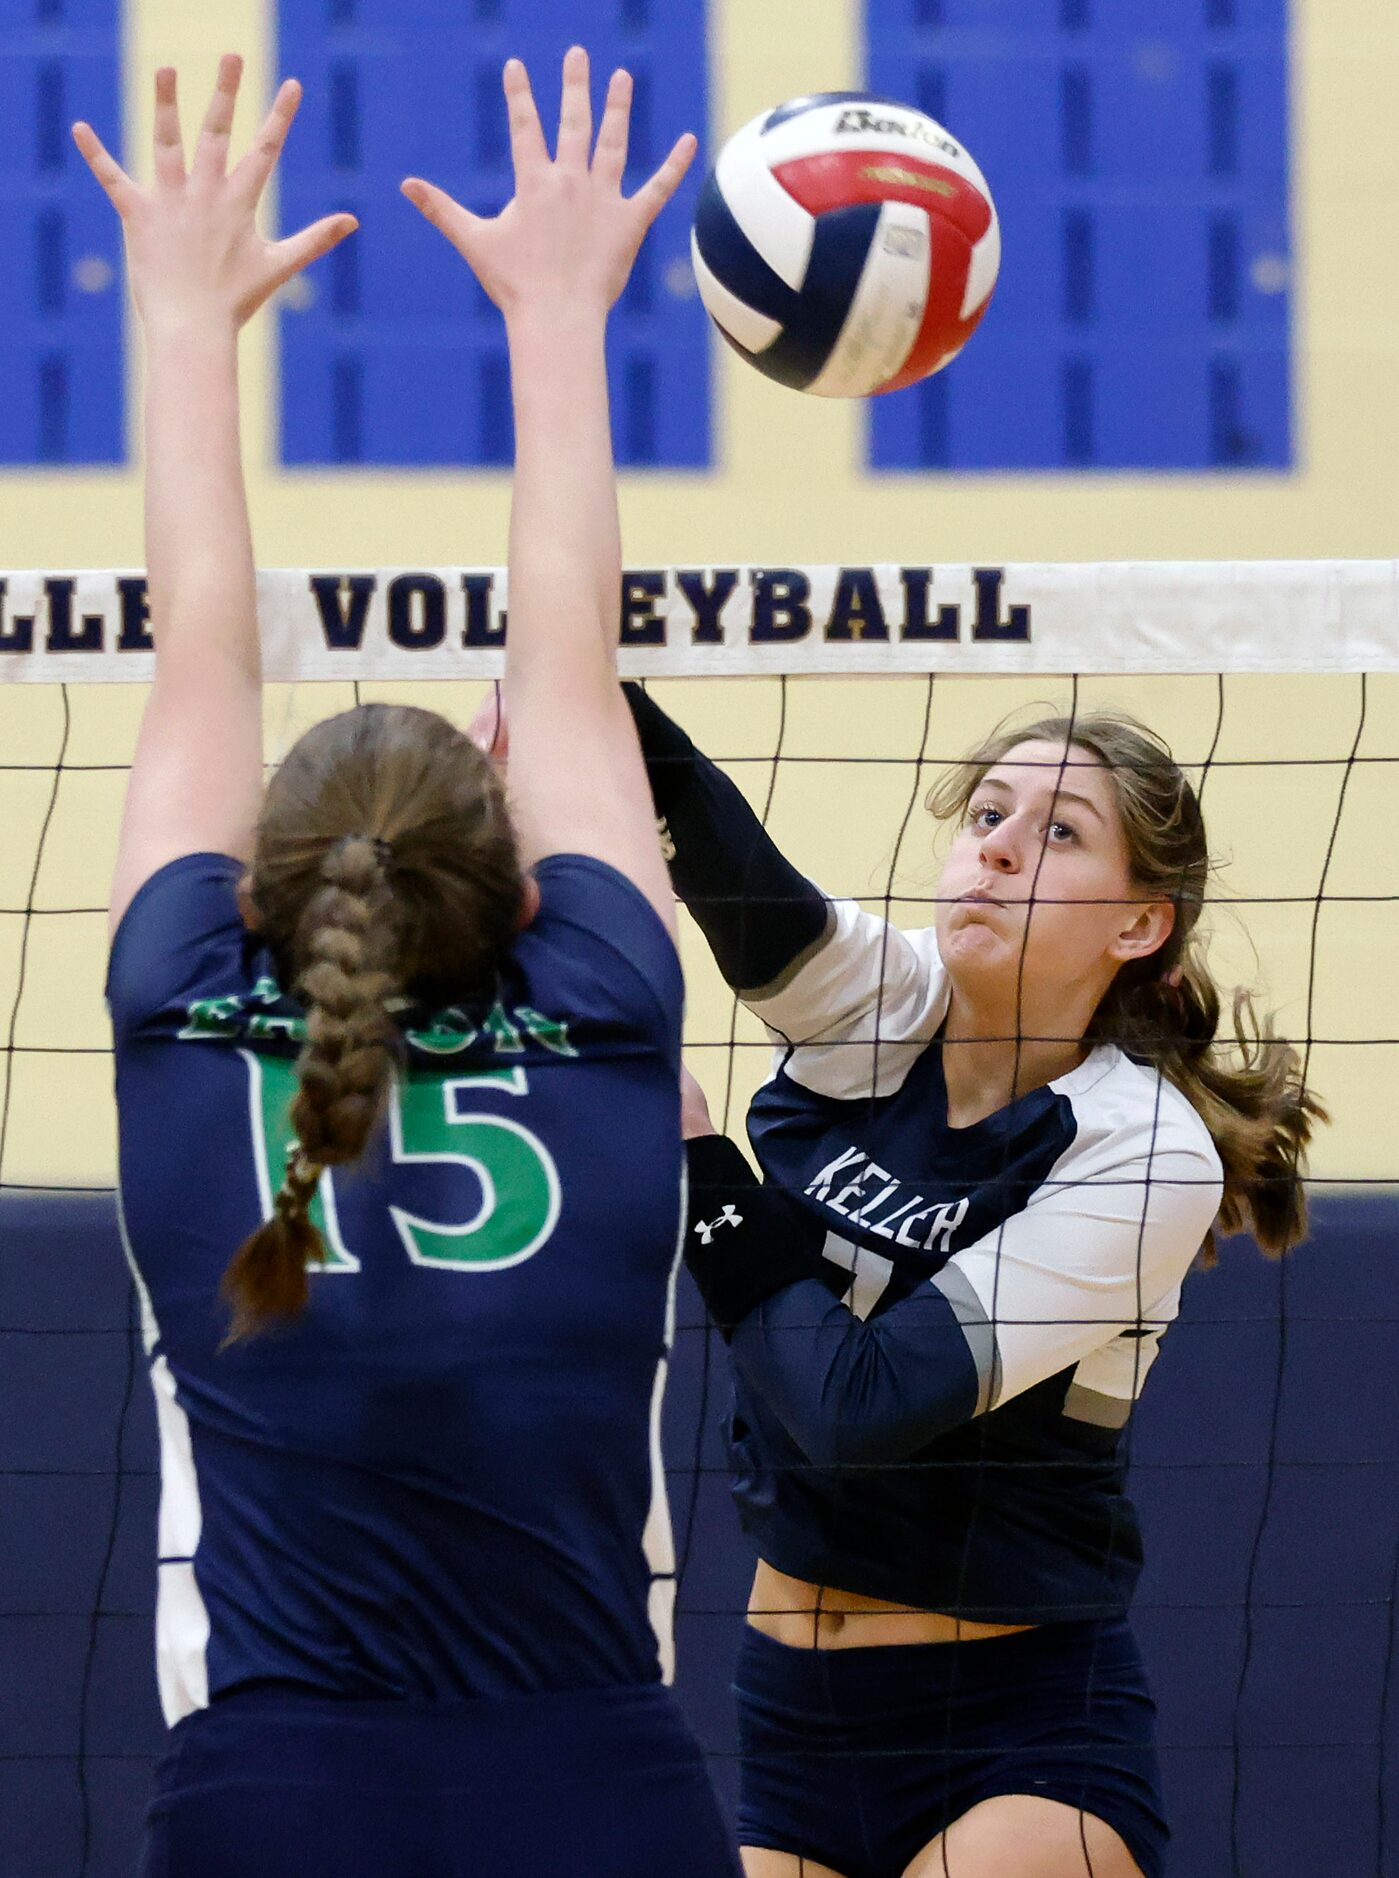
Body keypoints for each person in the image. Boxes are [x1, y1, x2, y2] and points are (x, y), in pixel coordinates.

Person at [78, 51, 741, 1878]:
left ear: (263, 888)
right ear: (522, 885)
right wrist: (556, 315)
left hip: (275, 1802)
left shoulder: (180, 1021)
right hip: (599, 1793)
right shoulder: (608, 1009)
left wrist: (183, 313)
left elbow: (192, 651)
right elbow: (575, 661)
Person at [621, 686, 1323, 1878]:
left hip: (1015, 1729)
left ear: (1139, 925)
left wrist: (699, 1165)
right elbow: (722, 857)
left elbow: (856, 1408)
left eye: (1057, 832)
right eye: (987, 813)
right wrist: (582, 671)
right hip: (791, 1723)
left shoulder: (1139, 1148)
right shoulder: (885, 1002)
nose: (995, 846)